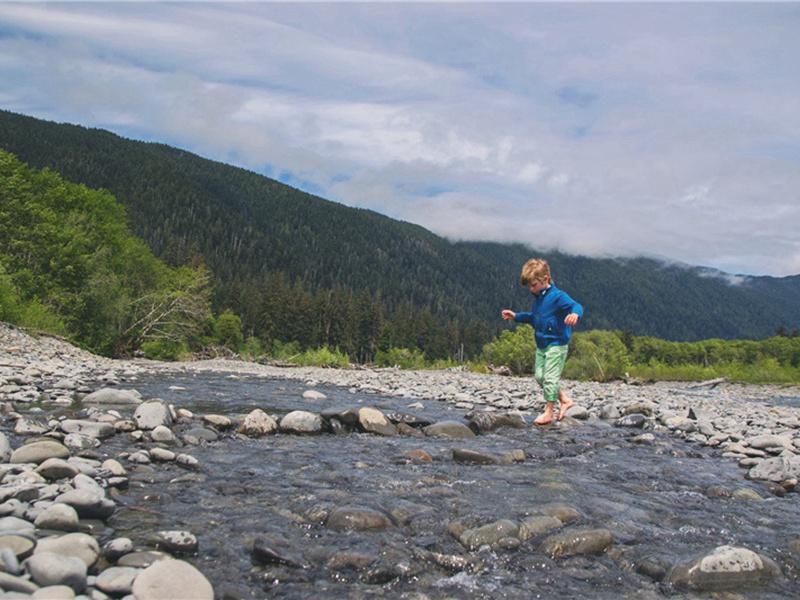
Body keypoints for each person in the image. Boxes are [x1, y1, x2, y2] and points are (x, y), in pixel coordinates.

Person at [501, 259, 583, 425]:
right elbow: (534, 317)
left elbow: (576, 305)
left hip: (557, 344)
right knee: (540, 377)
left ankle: (549, 412)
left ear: (545, 279)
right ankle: (565, 400)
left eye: (534, 285)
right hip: (542, 345)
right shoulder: (537, 299)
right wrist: (516, 316)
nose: (531, 289)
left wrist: (575, 314)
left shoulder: (558, 296)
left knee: (550, 378)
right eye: (529, 286)